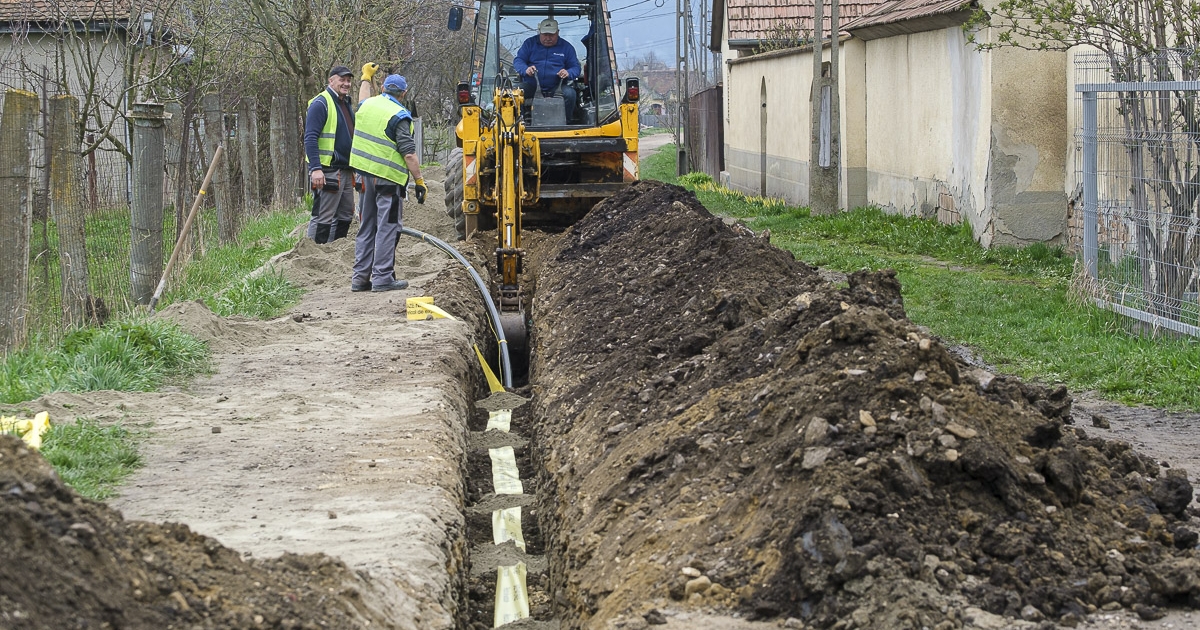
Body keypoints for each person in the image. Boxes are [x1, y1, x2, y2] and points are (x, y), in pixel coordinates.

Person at [348, 70, 426, 292]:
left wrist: (365, 77)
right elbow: (409, 153)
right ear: (404, 93)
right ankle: (382, 277)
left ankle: (360, 278)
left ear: (382, 88)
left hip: (364, 177)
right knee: (387, 227)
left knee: (366, 226)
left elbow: (362, 97)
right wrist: (419, 180)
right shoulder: (399, 115)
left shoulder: (367, 106)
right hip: (388, 182)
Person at [304, 65, 358, 243]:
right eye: (342, 79)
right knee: (323, 216)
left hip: (346, 169)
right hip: (328, 170)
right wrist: (316, 168)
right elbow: (310, 138)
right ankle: (312, 253)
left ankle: (334, 251)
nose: (346, 83)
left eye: (348, 80)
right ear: (331, 80)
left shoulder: (345, 103)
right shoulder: (321, 103)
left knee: (345, 215)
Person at [513, 18, 581, 122]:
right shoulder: (529, 44)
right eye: (545, 35)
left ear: (558, 33)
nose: (548, 38)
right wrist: (526, 69)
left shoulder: (567, 48)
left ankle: (566, 123)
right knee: (514, 93)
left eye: (551, 35)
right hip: (532, 86)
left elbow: (575, 67)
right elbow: (518, 60)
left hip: (557, 87)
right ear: (539, 32)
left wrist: (568, 72)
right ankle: (519, 122)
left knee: (570, 94)